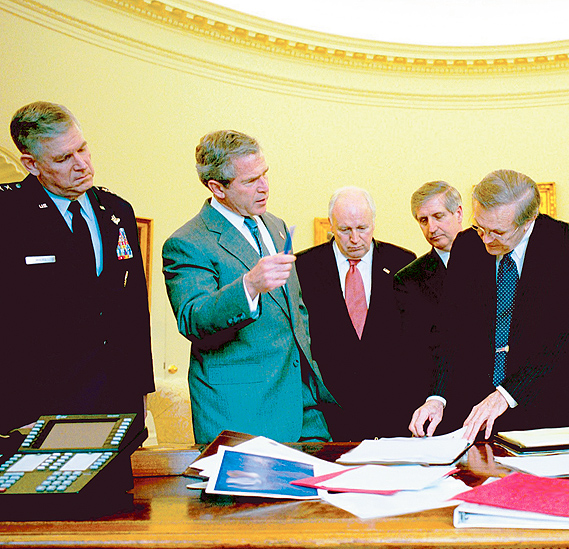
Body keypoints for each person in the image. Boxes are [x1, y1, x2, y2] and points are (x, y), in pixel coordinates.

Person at [162, 130, 335, 445]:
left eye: (265, 174)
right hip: (242, 412)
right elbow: (192, 317)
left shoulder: (276, 225)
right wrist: (249, 286)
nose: (264, 186)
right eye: (250, 180)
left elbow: (294, 311)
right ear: (218, 187)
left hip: (305, 408)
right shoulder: (187, 242)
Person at [409, 169, 569, 441]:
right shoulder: (466, 245)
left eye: (497, 232)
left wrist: (506, 394)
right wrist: (437, 397)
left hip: (554, 407)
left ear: (528, 220)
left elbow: (568, 337)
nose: (485, 239)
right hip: (482, 416)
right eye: (480, 227)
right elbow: (450, 330)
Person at [0, 101, 154, 435]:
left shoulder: (116, 210)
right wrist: (12, 409)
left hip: (116, 402)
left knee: (118, 490)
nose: (82, 164)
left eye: (82, 149)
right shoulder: (8, 213)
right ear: (31, 163)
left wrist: (140, 394)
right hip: (39, 408)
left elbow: (133, 311)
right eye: (63, 158)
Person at [295, 187, 416, 441]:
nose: (354, 239)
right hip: (330, 416)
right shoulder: (304, 267)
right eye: (344, 230)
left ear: (374, 223)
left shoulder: (402, 262)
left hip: (393, 415)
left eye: (362, 229)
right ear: (331, 225)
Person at [394, 181, 463, 406]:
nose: (431, 228)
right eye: (423, 220)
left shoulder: (494, 261)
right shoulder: (408, 279)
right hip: (439, 397)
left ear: (459, 213)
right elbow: (415, 351)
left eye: (438, 216)